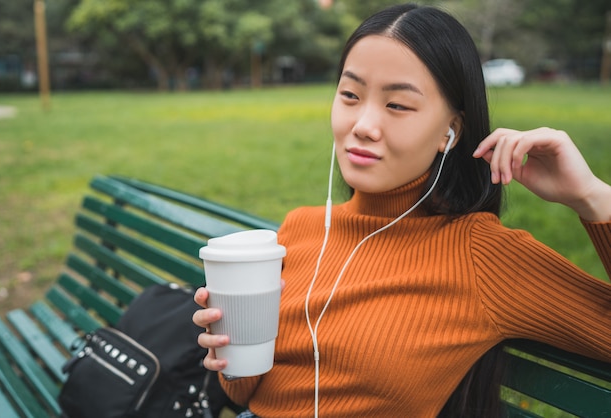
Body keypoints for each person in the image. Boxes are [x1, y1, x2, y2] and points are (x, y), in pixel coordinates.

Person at [194, 4, 611, 417]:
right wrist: (228, 352)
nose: (364, 124)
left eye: (397, 105)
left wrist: (592, 197)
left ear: (450, 132)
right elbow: (244, 395)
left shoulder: (480, 256)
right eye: (350, 96)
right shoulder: (298, 230)